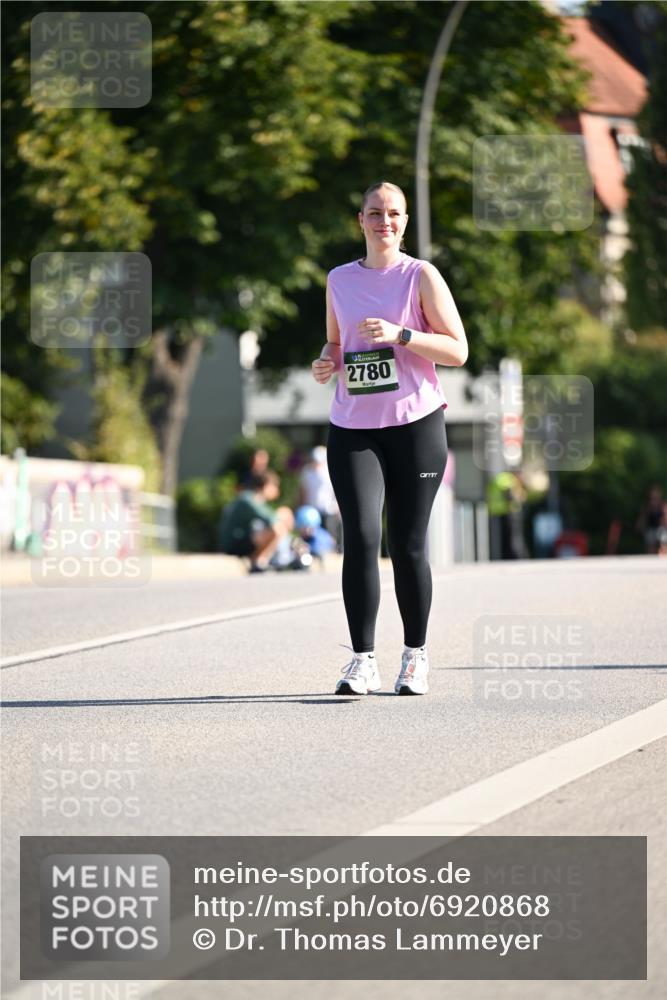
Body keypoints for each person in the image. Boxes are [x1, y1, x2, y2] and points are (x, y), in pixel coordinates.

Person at [311, 180, 467, 696]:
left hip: (416, 424)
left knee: (408, 544)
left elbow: (457, 350)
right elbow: (337, 341)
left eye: (394, 213)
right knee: (359, 537)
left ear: (404, 220)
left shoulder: (421, 276)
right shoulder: (338, 279)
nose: (385, 221)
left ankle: (415, 657)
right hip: (354, 426)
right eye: (375, 213)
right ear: (361, 220)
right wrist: (326, 362)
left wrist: (403, 335)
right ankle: (362, 660)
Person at [218, 470, 294, 573]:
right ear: (266, 486)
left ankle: (273, 558)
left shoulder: (254, 499)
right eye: (275, 486)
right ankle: (258, 561)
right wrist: (283, 515)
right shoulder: (248, 499)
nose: (277, 491)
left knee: (277, 527)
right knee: (277, 530)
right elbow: (271, 519)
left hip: (244, 539)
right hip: (234, 542)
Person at [298, 446, 342, 551]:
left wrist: (338, 506)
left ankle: (331, 554)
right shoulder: (306, 472)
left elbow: (335, 491)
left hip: (328, 509)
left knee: (330, 535)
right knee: (311, 535)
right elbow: (303, 490)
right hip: (312, 510)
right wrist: (302, 506)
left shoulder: (329, 471)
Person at [636, 485, 666, 555]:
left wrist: (664, 517)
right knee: (650, 537)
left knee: (664, 536)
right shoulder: (647, 507)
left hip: (662, 529)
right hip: (650, 530)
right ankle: (651, 558)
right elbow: (641, 521)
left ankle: (663, 555)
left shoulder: (663, 505)